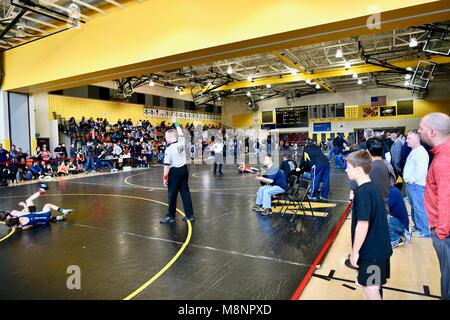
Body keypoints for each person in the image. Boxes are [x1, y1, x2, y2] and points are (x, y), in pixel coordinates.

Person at [345, 150, 392, 300]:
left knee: (370, 289)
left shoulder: (363, 193)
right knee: (374, 287)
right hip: (378, 249)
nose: (346, 170)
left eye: (349, 167)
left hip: (372, 253)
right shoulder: (370, 188)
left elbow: (363, 224)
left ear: (358, 170)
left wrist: (355, 252)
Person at [418, 112, 450, 300]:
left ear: (432, 132)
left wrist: (442, 232)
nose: (419, 131)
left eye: (421, 128)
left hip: (445, 233)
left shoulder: (443, 162)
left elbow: (447, 200)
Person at [160, 115, 195, 224]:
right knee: (185, 193)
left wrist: (165, 177)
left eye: (166, 137)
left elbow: (166, 165)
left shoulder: (169, 149)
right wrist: (175, 122)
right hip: (184, 170)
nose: (165, 139)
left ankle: (171, 216)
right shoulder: (181, 140)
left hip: (174, 173)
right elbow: (180, 132)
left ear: (170, 137)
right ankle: (190, 215)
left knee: (172, 194)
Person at [0, 183, 74, 230]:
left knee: (39, 217)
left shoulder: (21, 226)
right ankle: (42, 190)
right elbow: (26, 212)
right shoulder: (15, 214)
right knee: (28, 200)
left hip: (41, 220)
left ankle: (57, 218)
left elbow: (31, 224)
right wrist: (23, 206)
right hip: (31, 213)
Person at [350, 138, 392, 215]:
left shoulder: (370, 167)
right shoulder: (385, 164)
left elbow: (354, 185)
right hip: (383, 206)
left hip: (372, 210)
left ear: (368, 151)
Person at [403, 130, 430, 237]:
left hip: (416, 185)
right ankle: (418, 226)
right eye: (407, 138)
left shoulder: (421, 152)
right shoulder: (414, 151)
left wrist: (411, 180)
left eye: (409, 138)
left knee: (419, 208)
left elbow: (420, 170)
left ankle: (425, 230)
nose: (407, 140)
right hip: (412, 185)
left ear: (417, 140)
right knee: (414, 207)